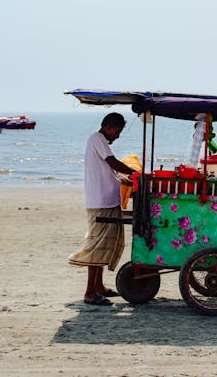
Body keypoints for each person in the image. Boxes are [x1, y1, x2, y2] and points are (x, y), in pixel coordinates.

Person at [68, 112, 135, 306]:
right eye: (118, 131)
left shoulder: (99, 142)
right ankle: (90, 292)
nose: (118, 136)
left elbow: (109, 170)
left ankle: (98, 287)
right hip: (100, 202)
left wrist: (125, 179)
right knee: (98, 247)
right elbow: (113, 163)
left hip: (107, 201)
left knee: (105, 246)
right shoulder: (97, 139)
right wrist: (135, 173)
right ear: (109, 127)